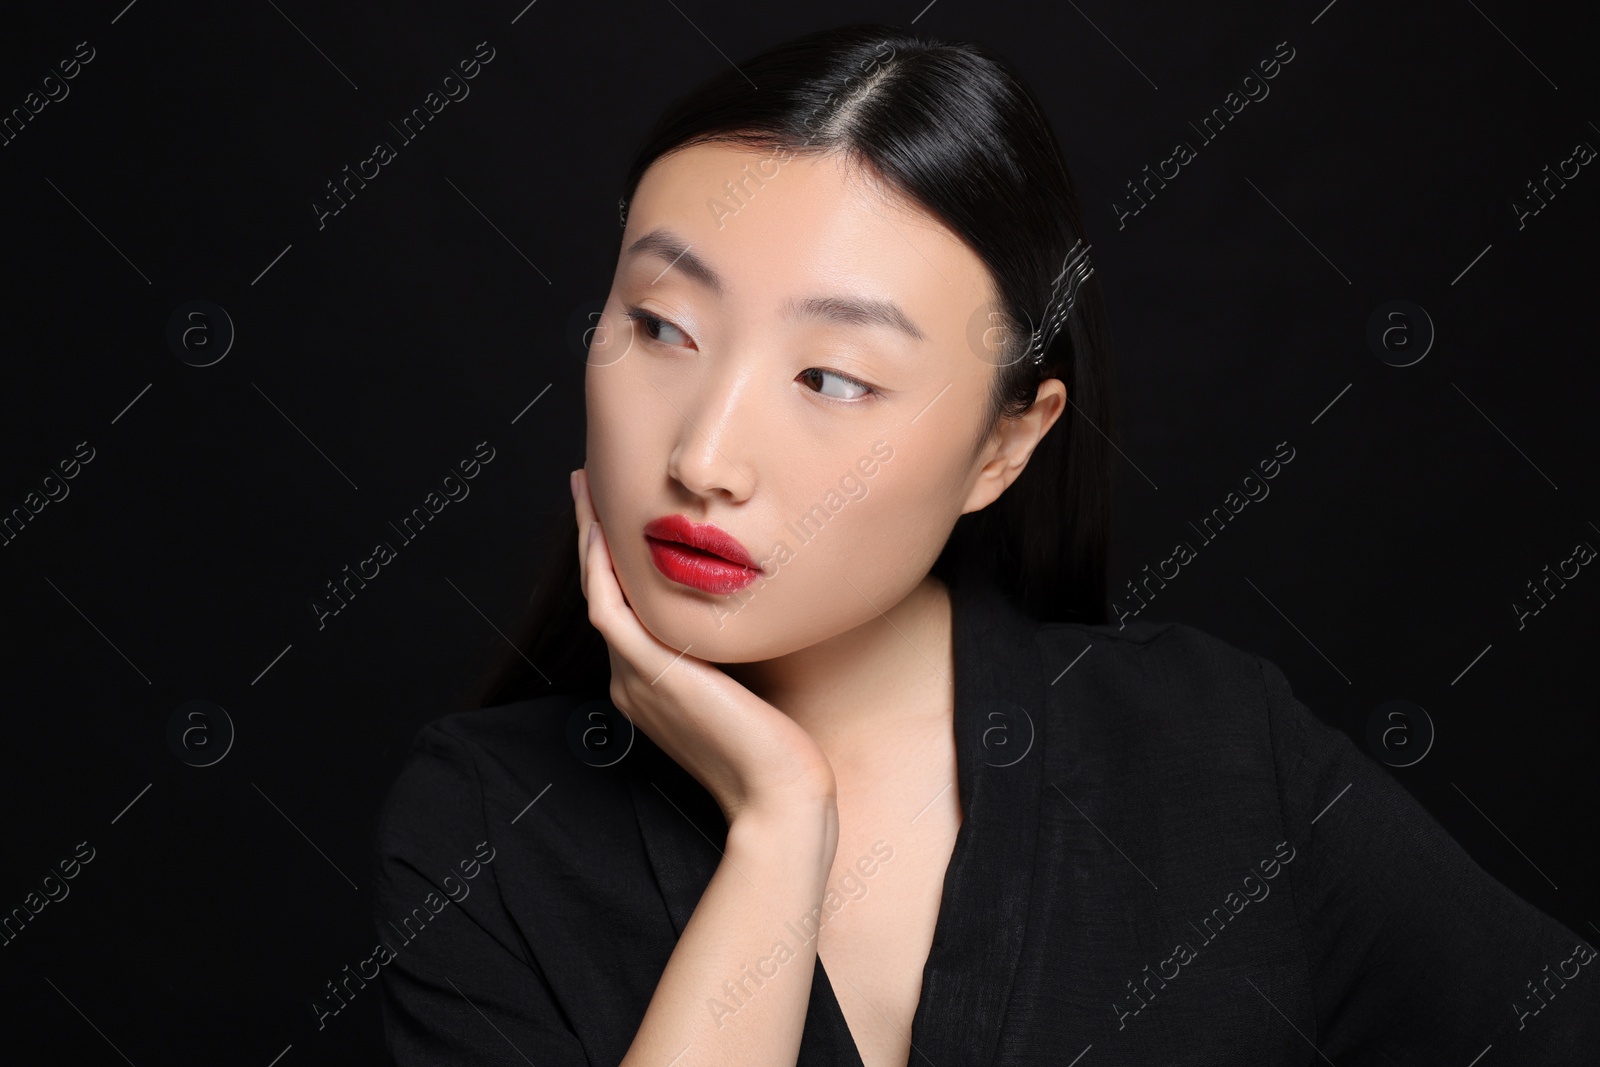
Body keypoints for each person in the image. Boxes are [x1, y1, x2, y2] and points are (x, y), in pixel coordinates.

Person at [368, 22, 1599, 1066]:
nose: (704, 456)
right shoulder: (483, 818)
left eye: (833, 377)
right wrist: (779, 825)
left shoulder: (1213, 749)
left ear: (1006, 446)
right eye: (661, 325)